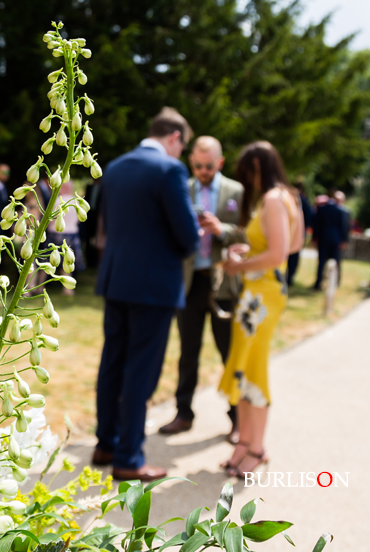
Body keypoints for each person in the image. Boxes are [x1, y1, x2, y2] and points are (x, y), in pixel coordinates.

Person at [94, 107, 200, 482]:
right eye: (182, 147)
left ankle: (105, 443)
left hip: (116, 278)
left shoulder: (116, 166)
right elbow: (187, 237)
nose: (181, 154)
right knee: (141, 371)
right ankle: (128, 457)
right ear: (175, 138)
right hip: (154, 286)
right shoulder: (170, 170)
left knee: (112, 362)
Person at [218, 141, 303, 478]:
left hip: (261, 297)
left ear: (256, 168)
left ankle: (256, 448)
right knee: (246, 363)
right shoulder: (287, 197)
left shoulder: (272, 199)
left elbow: (279, 254)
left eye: (247, 174)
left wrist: (239, 266)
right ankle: (246, 443)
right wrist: (251, 252)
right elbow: (293, 245)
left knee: (253, 367)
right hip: (263, 292)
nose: (248, 182)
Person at [159, 135, 245, 440]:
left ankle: (238, 418)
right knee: (188, 352)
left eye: (208, 166)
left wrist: (223, 230)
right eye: (197, 165)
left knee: (229, 353)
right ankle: (183, 413)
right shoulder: (183, 188)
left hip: (225, 283)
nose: (202, 170)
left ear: (219, 163)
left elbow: (249, 232)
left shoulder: (237, 191)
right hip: (190, 282)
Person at [46, 178, 84, 296]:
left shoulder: (56, 201)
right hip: (72, 233)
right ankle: (67, 289)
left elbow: (50, 218)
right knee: (68, 260)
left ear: (64, 188)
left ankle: (38, 286)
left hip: (55, 233)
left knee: (47, 260)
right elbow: (79, 219)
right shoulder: (76, 202)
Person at [311, 190, 351, 290]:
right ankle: (335, 283)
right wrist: (344, 240)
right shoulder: (340, 211)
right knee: (336, 261)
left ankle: (318, 283)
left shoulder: (322, 209)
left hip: (323, 238)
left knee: (321, 262)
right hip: (336, 239)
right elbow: (343, 227)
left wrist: (314, 238)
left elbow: (317, 226)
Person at [285, 179, 314, 287]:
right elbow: (309, 216)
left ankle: (285, 276)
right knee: (294, 256)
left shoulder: (288, 197)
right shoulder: (304, 200)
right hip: (299, 231)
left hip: (286, 230)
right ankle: (290, 278)